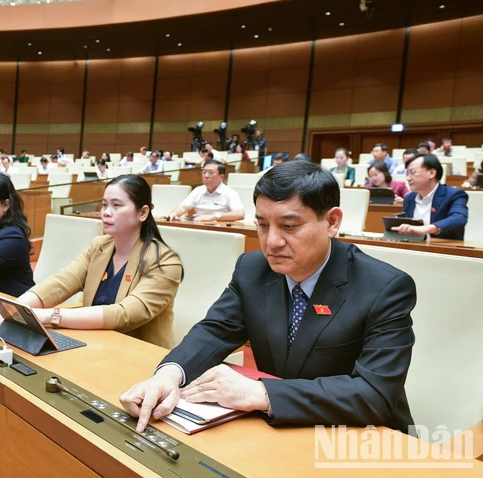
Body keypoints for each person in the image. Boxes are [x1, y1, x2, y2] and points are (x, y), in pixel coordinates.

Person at [119, 160, 417, 434]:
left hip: (360, 439)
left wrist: (260, 393)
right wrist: (169, 375)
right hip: (281, 430)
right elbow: (215, 330)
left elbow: (374, 395)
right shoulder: (253, 269)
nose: (272, 241)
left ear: (332, 222)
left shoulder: (384, 288)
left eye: (289, 226)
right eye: (262, 225)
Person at [0, 175, 183, 348]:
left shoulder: (164, 262)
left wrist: (47, 316)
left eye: (117, 205)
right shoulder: (100, 246)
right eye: (104, 205)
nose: (106, 212)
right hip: (94, 345)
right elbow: (62, 282)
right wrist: (11, 311)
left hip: (140, 356)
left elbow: (123, 314)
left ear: (142, 213)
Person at [396, 154, 468, 240]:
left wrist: (429, 228)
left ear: (431, 173)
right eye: (407, 174)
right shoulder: (409, 198)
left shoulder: (453, 194)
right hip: (414, 248)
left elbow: (459, 218)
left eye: (412, 172)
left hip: (442, 250)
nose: (408, 178)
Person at [166, 160, 244, 222]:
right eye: (204, 172)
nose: (206, 176)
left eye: (211, 173)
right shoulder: (198, 190)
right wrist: (174, 214)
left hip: (220, 229)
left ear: (221, 177)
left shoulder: (229, 193)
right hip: (199, 227)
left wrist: (214, 217)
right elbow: (183, 207)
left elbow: (240, 213)